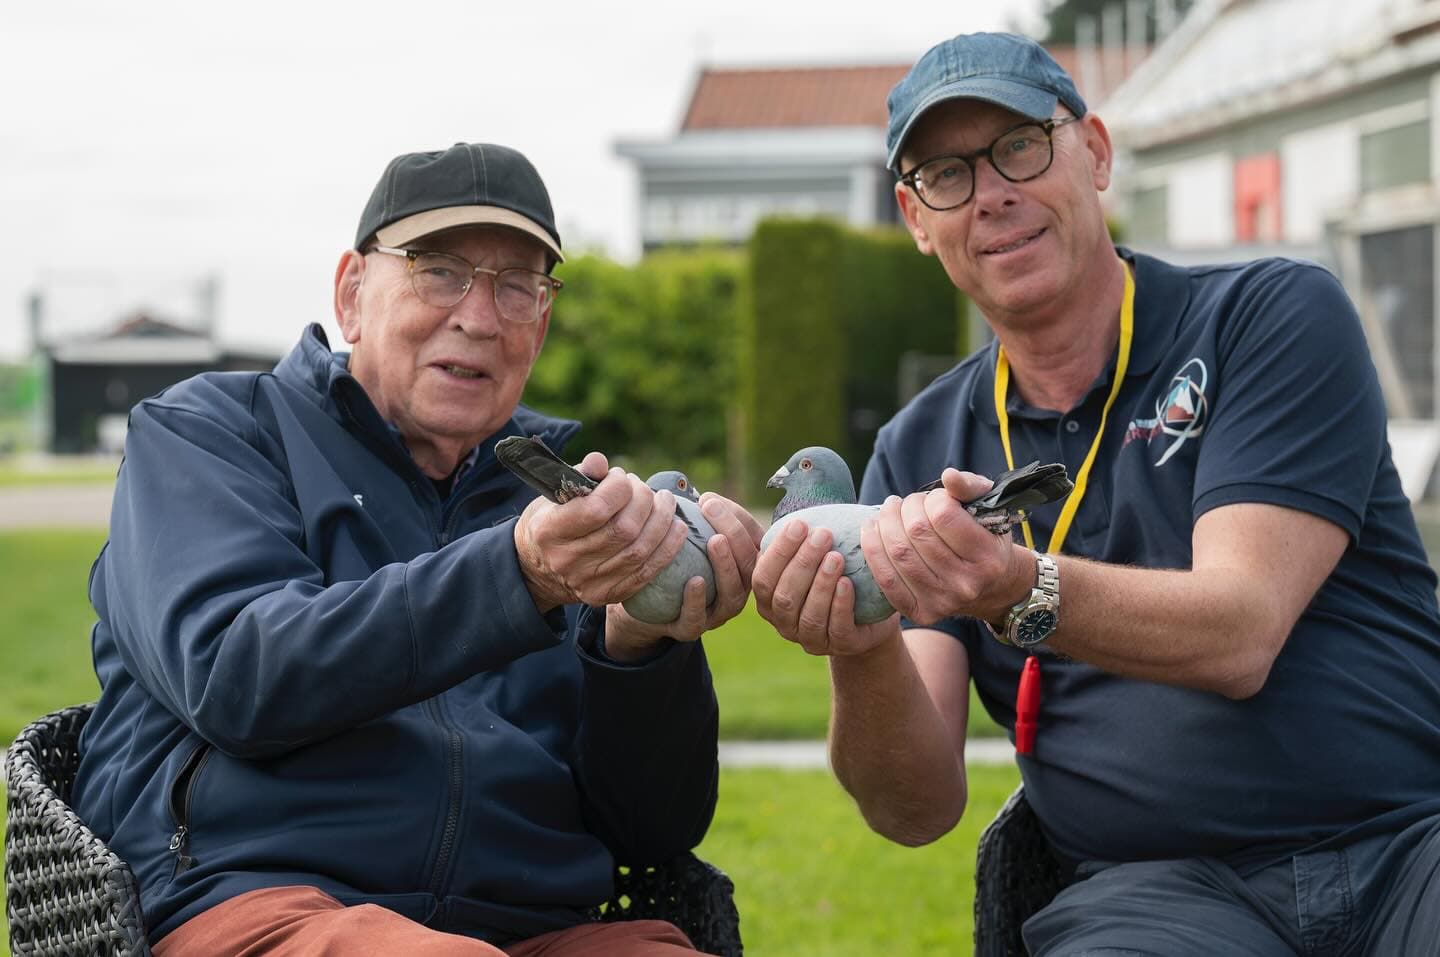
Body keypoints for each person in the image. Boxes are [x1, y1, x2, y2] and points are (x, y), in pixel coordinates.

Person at [752, 32, 1440, 955]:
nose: (991, 193)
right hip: (1155, 900)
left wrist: (1016, 587)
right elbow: (914, 810)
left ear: (1097, 153)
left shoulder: (1269, 318)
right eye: (947, 174)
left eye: (1020, 146)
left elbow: (1241, 632)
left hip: (1407, 845)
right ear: (916, 219)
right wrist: (861, 644)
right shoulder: (916, 448)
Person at [71, 141, 762, 957]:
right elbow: (236, 674)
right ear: (352, 295)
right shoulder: (210, 433)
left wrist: (639, 648)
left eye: (517, 286)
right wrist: (517, 573)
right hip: (257, 898)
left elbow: (652, 831)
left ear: (540, 325)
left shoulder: (567, 507)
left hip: (532, 924)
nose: (480, 317)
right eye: (439, 272)